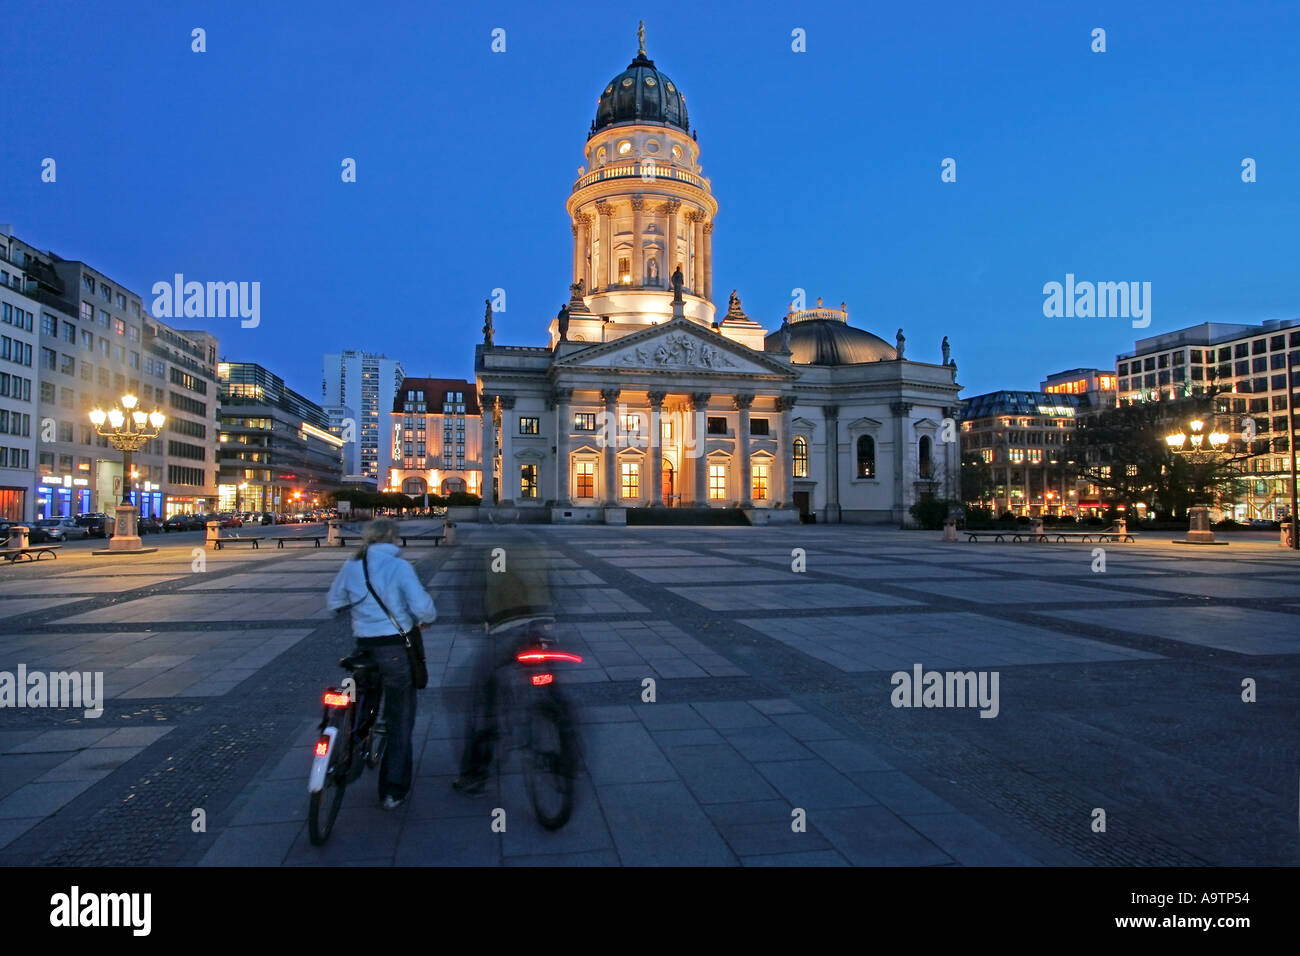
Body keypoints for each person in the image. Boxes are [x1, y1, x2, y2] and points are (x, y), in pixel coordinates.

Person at [326, 518, 436, 810]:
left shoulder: (353, 565)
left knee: (364, 702)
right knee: (400, 718)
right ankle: (392, 790)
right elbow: (423, 608)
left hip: (364, 648)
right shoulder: (399, 567)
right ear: (391, 538)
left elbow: (333, 601)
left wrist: (358, 609)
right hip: (396, 650)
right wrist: (424, 620)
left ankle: (351, 745)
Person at [453, 543, 553, 794]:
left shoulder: (484, 550)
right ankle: (561, 730)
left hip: (505, 629)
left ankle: (474, 774)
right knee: (547, 676)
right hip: (543, 624)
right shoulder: (535, 547)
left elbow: (471, 598)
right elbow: (556, 587)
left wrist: (475, 619)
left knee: (483, 698)